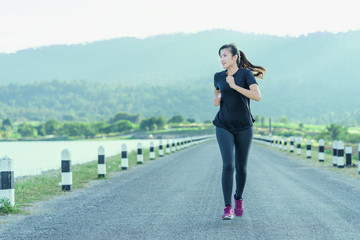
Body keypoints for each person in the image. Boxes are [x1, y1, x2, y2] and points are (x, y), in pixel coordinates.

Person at [213, 43, 266, 220]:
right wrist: (216, 98)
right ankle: (227, 207)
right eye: (220, 56)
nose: (221, 59)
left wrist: (234, 86)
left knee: (241, 167)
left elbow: (257, 96)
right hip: (223, 125)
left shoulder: (246, 75)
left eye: (224, 56)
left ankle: (238, 198)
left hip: (244, 126)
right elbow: (216, 94)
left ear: (235, 57)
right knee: (228, 165)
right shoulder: (218, 76)